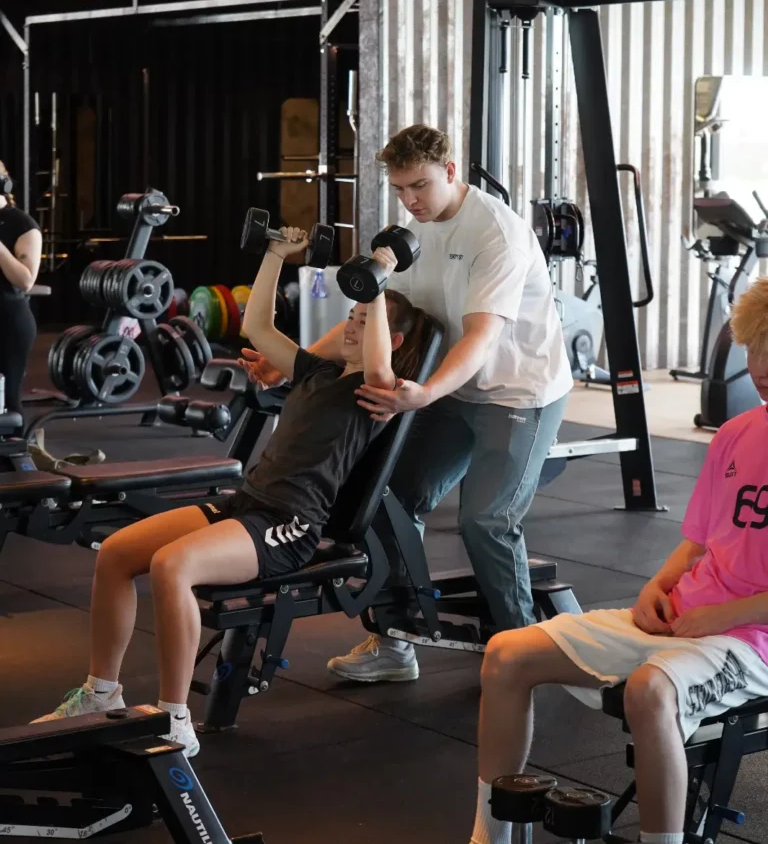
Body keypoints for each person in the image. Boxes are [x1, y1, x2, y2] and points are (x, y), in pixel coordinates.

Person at [33, 227, 429, 758]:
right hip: (247, 504)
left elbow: (378, 359)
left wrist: (376, 282)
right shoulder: (318, 372)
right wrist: (274, 256)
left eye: (364, 320)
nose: (353, 326)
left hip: (288, 526)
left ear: (390, 337)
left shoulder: (377, 395)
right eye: (350, 317)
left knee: (174, 567)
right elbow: (259, 327)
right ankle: (101, 694)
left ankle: (175, 720)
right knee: (119, 554)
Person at [243, 125, 572, 683]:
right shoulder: (408, 236)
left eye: (419, 185)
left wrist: (423, 394)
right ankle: (395, 639)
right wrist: (292, 359)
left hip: (517, 391)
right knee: (386, 499)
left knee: (486, 522)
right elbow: (374, 312)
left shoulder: (498, 234)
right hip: (448, 388)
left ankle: (524, 660)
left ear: (450, 170)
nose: (410, 200)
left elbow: (480, 338)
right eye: (399, 189)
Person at [469, 276, 768, 844]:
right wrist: (657, 585)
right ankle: (489, 836)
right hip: (687, 619)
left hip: (753, 641)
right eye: (754, 348)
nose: (759, 366)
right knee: (507, 654)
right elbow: (698, 543)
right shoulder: (735, 434)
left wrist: (722, 618)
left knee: (649, 692)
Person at [0, 161, 42, 418]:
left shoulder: (23, 225)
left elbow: (26, 280)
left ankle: (11, 455)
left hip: (8, 322)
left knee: (7, 401)